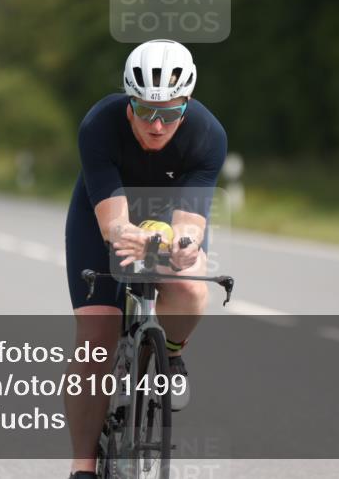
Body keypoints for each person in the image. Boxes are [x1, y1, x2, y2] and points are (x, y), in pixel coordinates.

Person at [63, 39, 227, 479]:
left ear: (187, 106)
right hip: (103, 217)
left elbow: (191, 223)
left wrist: (184, 246)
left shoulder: (208, 135)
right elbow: (113, 225)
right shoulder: (99, 125)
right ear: (129, 102)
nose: (157, 125)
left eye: (170, 112)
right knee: (96, 336)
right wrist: (126, 235)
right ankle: (82, 466)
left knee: (192, 288)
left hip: (166, 219)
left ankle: (170, 353)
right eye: (146, 110)